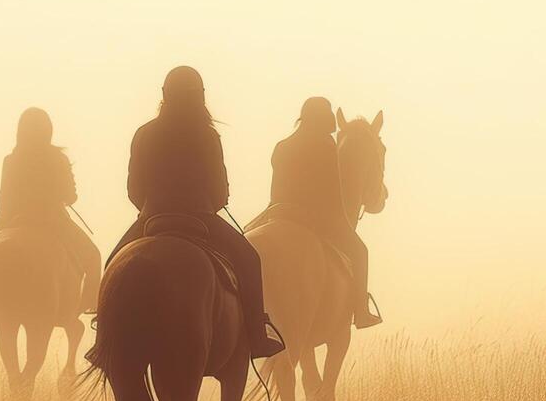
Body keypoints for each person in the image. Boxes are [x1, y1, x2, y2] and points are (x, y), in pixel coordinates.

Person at [111, 66, 283, 357]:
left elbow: (133, 188)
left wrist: (150, 210)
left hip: (152, 218)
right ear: (200, 96)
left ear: (165, 95)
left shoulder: (145, 133)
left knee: (113, 263)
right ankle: (257, 333)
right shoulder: (207, 135)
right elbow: (219, 190)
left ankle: (105, 333)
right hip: (200, 218)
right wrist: (211, 204)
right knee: (250, 260)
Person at [269, 96, 380, 329]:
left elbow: (275, 193)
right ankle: (361, 311)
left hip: (278, 214)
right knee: (360, 252)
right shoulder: (326, 144)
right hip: (312, 219)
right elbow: (332, 192)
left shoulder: (282, 146)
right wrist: (342, 221)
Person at [0, 107, 100, 312]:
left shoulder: (10, 160)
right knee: (93, 257)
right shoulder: (58, 159)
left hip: (15, 220)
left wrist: (7, 219)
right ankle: (85, 308)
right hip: (54, 222)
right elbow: (71, 196)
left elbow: (3, 199)